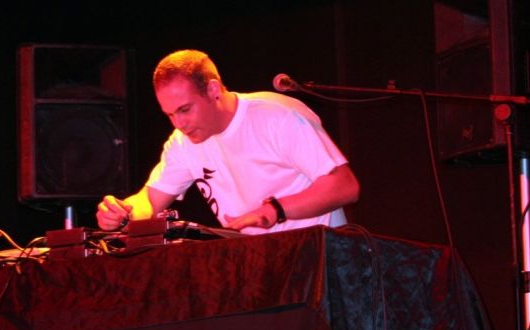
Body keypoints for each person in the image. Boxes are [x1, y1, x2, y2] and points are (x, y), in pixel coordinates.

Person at [96, 49, 359, 235]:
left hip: (321, 258)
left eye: (185, 110)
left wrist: (274, 210)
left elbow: (344, 186)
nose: (178, 123)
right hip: (260, 263)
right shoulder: (182, 143)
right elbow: (151, 201)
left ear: (213, 90)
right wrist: (125, 213)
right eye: (170, 114)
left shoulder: (277, 116)